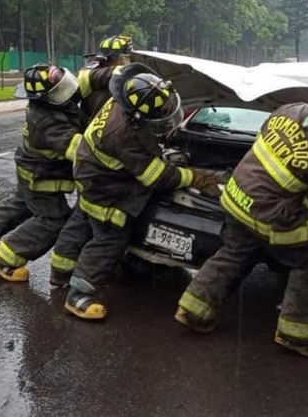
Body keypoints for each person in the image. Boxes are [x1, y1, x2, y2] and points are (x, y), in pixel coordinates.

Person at [175, 78, 308, 359]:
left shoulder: (289, 110)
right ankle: (297, 334)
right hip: (269, 216)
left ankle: (193, 311)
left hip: (234, 197)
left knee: (234, 252)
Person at [62, 63, 224, 321]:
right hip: (104, 189)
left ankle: (64, 274)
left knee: (83, 225)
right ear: (136, 116)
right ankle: (79, 295)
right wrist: (196, 177)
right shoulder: (124, 134)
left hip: (95, 172)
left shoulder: (124, 100)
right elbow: (155, 176)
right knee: (109, 240)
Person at [0, 64, 86, 283]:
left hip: (30, 169)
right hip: (41, 178)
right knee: (54, 220)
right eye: (59, 91)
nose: (67, 92)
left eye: (64, 86)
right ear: (42, 98)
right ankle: (7, 258)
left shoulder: (50, 108)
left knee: (21, 204)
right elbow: (81, 150)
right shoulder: (47, 122)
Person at [48, 35, 134, 285]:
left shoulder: (102, 73)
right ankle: (82, 276)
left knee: (82, 214)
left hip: (91, 146)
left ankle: (61, 270)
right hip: (96, 147)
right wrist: (128, 70)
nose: (127, 61)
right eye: (126, 56)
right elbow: (97, 79)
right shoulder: (98, 73)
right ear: (118, 57)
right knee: (94, 217)